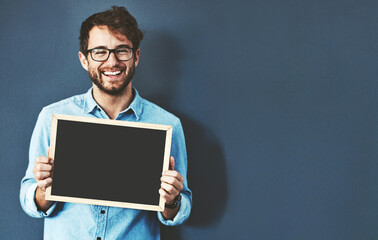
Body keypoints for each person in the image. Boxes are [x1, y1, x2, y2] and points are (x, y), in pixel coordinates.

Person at [20, 6, 192, 239]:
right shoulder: (52, 117)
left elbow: (180, 210)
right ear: (84, 59)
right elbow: (29, 201)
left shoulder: (167, 124)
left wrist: (172, 200)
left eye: (122, 50)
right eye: (100, 51)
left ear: (136, 57)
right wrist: (42, 189)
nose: (112, 61)